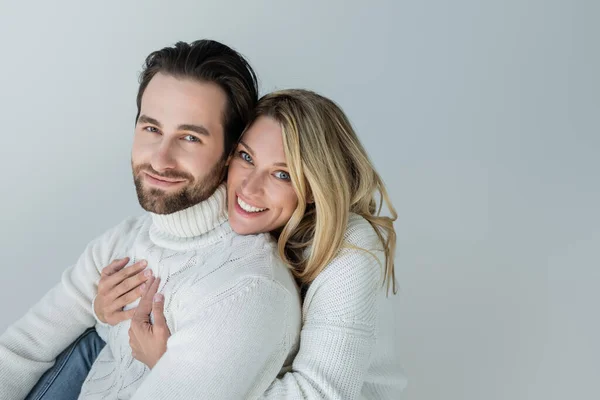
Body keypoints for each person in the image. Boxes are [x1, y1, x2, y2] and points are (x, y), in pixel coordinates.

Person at [28, 89, 408, 399]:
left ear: (314, 188)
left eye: (281, 174)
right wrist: (102, 308)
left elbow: (319, 393)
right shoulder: (239, 214)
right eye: (246, 157)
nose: (249, 187)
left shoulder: (351, 250)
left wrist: (175, 371)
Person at [0, 40, 302, 400]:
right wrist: (98, 313)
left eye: (190, 137)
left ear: (230, 154)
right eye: (152, 129)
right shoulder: (125, 240)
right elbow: (22, 349)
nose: (160, 160)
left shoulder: (245, 289)